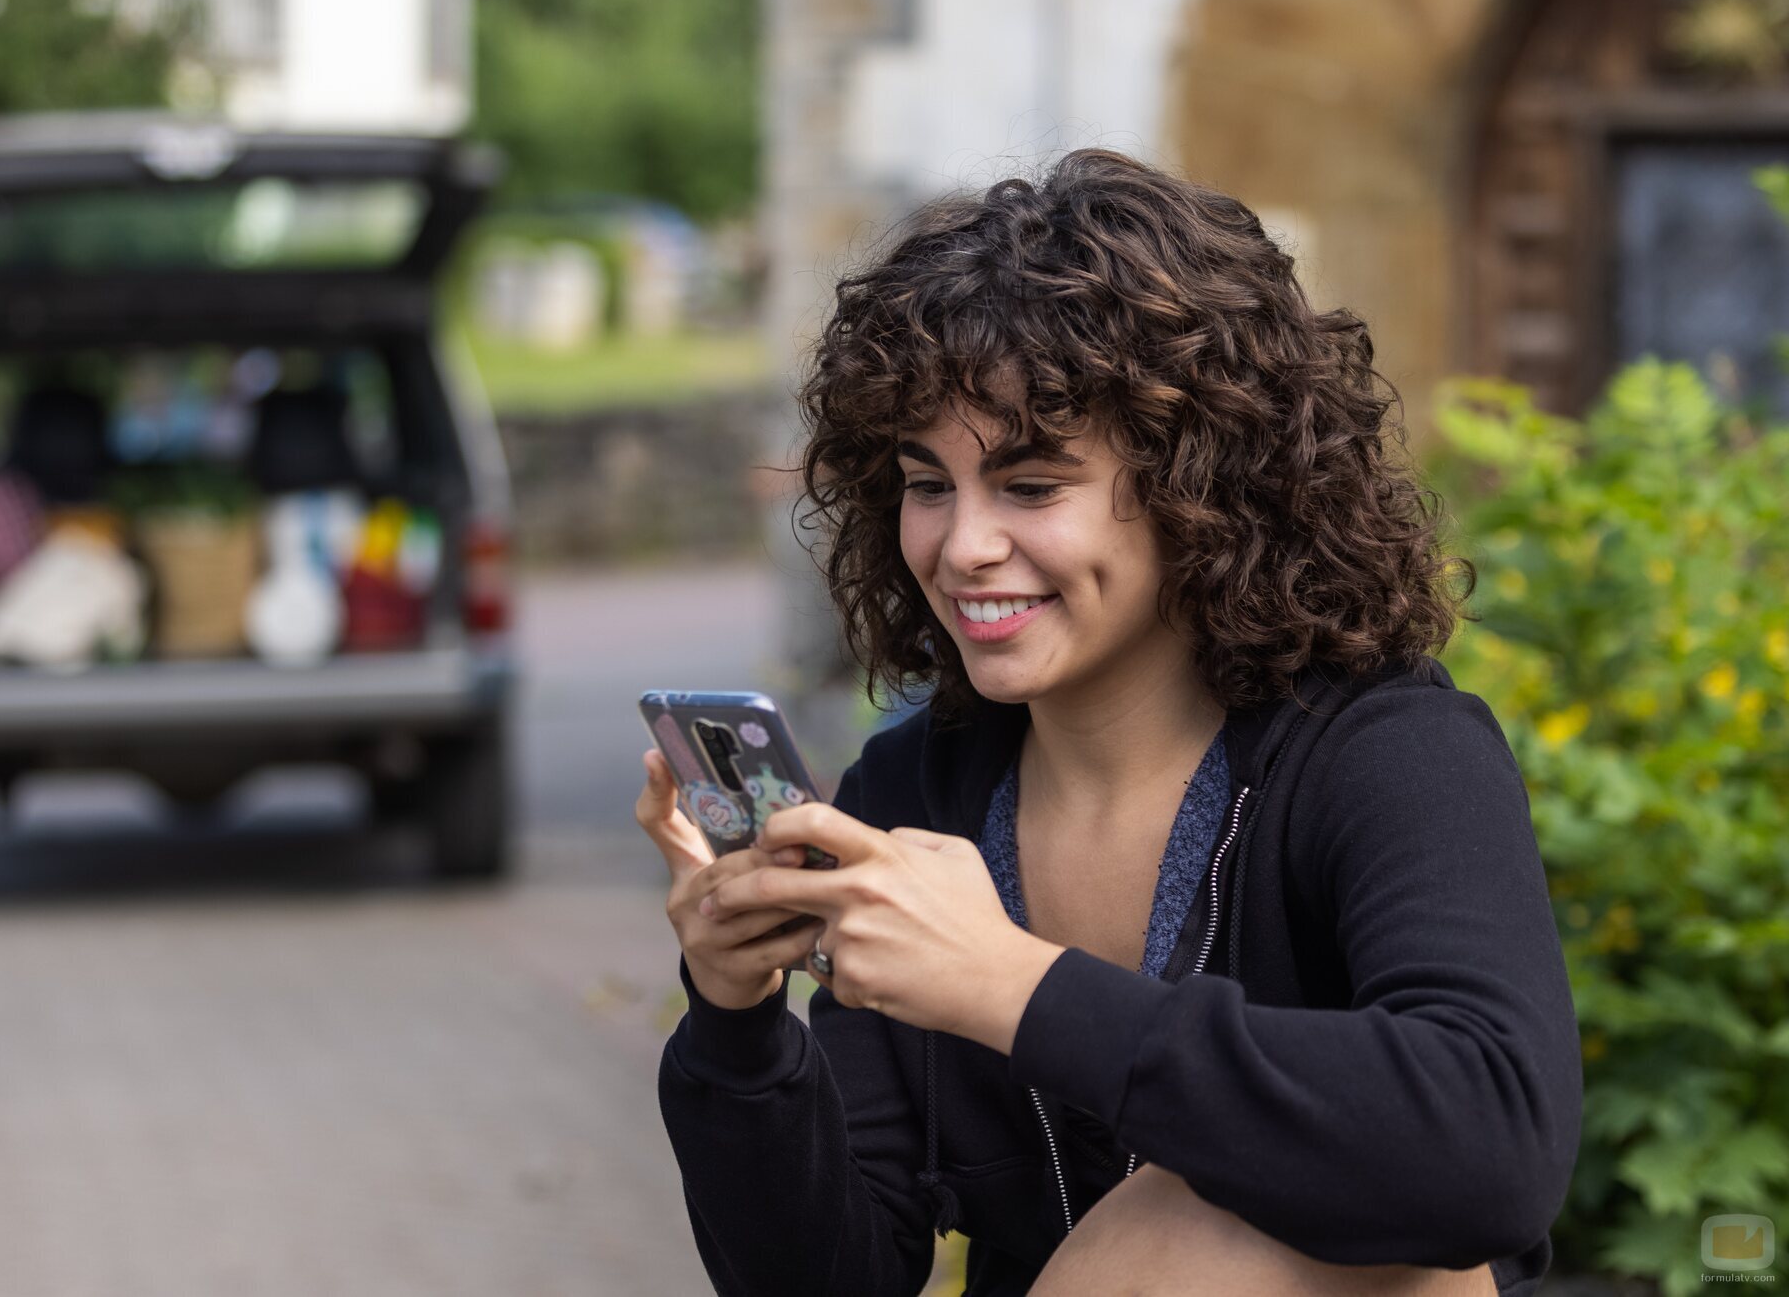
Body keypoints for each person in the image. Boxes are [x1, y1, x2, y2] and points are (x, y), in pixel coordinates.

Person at [634, 148, 1582, 1297]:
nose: (960, 544)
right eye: (926, 482)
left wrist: (1008, 985)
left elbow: (1491, 1152)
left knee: (1201, 1223)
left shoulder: (1387, 753)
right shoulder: (914, 799)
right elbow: (829, 1276)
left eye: (1029, 486)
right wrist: (735, 1020)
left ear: (1205, 484)